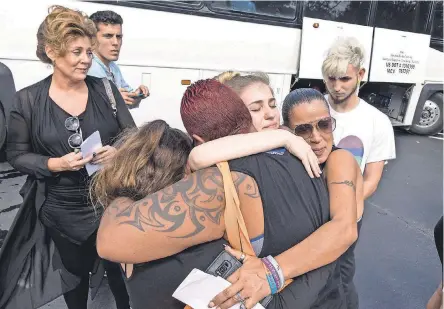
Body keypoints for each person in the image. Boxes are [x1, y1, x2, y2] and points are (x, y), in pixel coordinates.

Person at [96, 79, 359, 308]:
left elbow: (110, 240)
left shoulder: (218, 182)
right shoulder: (308, 161)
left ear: (198, 139)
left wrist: (122, 185)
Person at [0, 6, 134, 309]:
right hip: (62, 212)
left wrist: (118, 152)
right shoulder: (28, 100)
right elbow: (16, 154)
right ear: (52, 51)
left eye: (89, 51)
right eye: (77, 52)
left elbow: (132, 137)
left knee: (119, 273)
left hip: (109, 204)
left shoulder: (105, 89)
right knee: (74, 279)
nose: (86, 59)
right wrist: (54, 164)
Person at [188, 88, 363, 309]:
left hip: (335, 296)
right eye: (304, 130)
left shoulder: (339, 160)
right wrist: (281, 137)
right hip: (307, 294)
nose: (317, 137)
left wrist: (269, 271)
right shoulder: (292, 161)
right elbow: (198, 157)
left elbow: (344, 230)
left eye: (324, 125)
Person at [322, 36, 396, 308]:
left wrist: (342, 214)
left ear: (360, 74)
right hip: (309, 207)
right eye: (331, 79)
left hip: (349, 213)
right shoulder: (313, 108)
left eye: (344, 79)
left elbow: (371, 181)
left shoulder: (377, 122)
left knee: (339, 276)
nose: (337, 87)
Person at [88, 10, 149, 107]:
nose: (116, 42)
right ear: (92, 38)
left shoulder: (114, 68)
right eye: (108, 36)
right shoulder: (85, 67)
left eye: (119, 36)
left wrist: (137, 96)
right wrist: (113, 99)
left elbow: (128, 104)